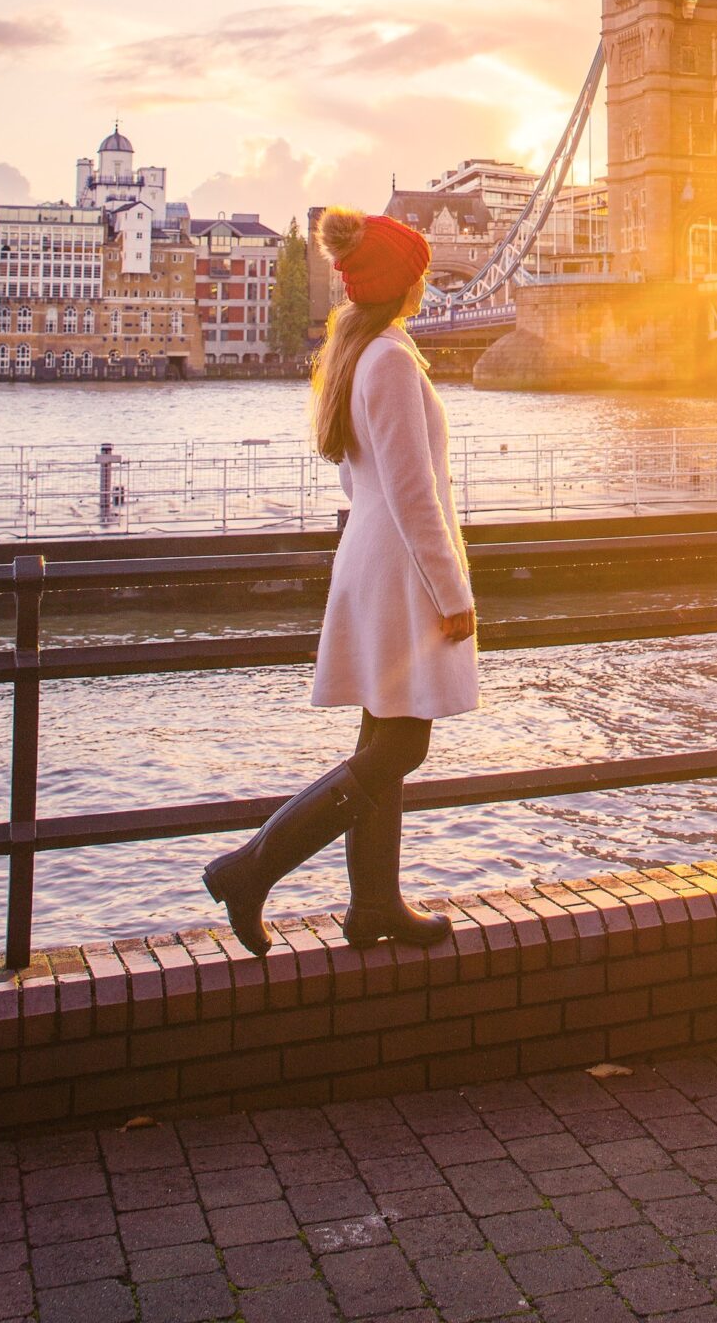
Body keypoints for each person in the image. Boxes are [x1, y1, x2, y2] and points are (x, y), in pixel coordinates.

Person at [203, 207, 477, 954]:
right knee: (401, 746)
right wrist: (454, 596)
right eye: (420, 270)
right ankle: (252, 867)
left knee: (383, 731)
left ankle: (375, 905)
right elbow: (413, 490)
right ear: (404, 282)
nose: (428, 282)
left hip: (375, 554)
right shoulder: (387, 359)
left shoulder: (367, 349)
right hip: (400, 567)